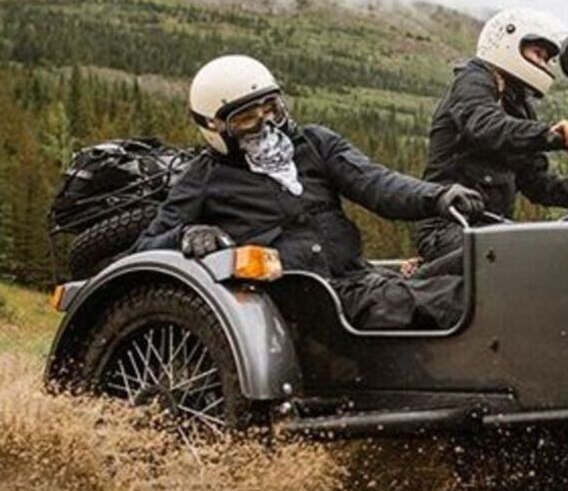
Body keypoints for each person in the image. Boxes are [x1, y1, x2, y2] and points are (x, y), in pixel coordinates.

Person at [134, 55, 486, 330]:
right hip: (303, 302)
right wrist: (187, 234)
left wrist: (438, 197)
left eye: (271, 108)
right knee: (457, 297)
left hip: (359, 280)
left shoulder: (315, 143)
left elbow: (376, 183)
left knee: (481, 263)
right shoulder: (204, 178)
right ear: (215, 127)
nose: (266, 124)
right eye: (247, 118)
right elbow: (143, 250)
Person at [412, 7, 568, 261]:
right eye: (538, 54)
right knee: (529, 263)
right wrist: (553, 135)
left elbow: (538, 185)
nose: (543, 64)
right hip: (451, 227)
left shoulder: (518, 106)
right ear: (508, 43)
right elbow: (485, 126)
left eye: (546, 58)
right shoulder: (474, 80)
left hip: (489, 231)